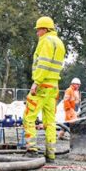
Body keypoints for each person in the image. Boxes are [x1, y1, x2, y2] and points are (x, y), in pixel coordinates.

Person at [24, 16, 66, 161]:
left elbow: (43, 63)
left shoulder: (46, 41)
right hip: (53, 86)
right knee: (50, 121)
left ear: (45, 29)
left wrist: (36, 82)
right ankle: (51, 154)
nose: (37, 33)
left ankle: (32, 149)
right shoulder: (59, 43)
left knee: (29, 116)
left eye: (39, 29)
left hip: (42, 84)